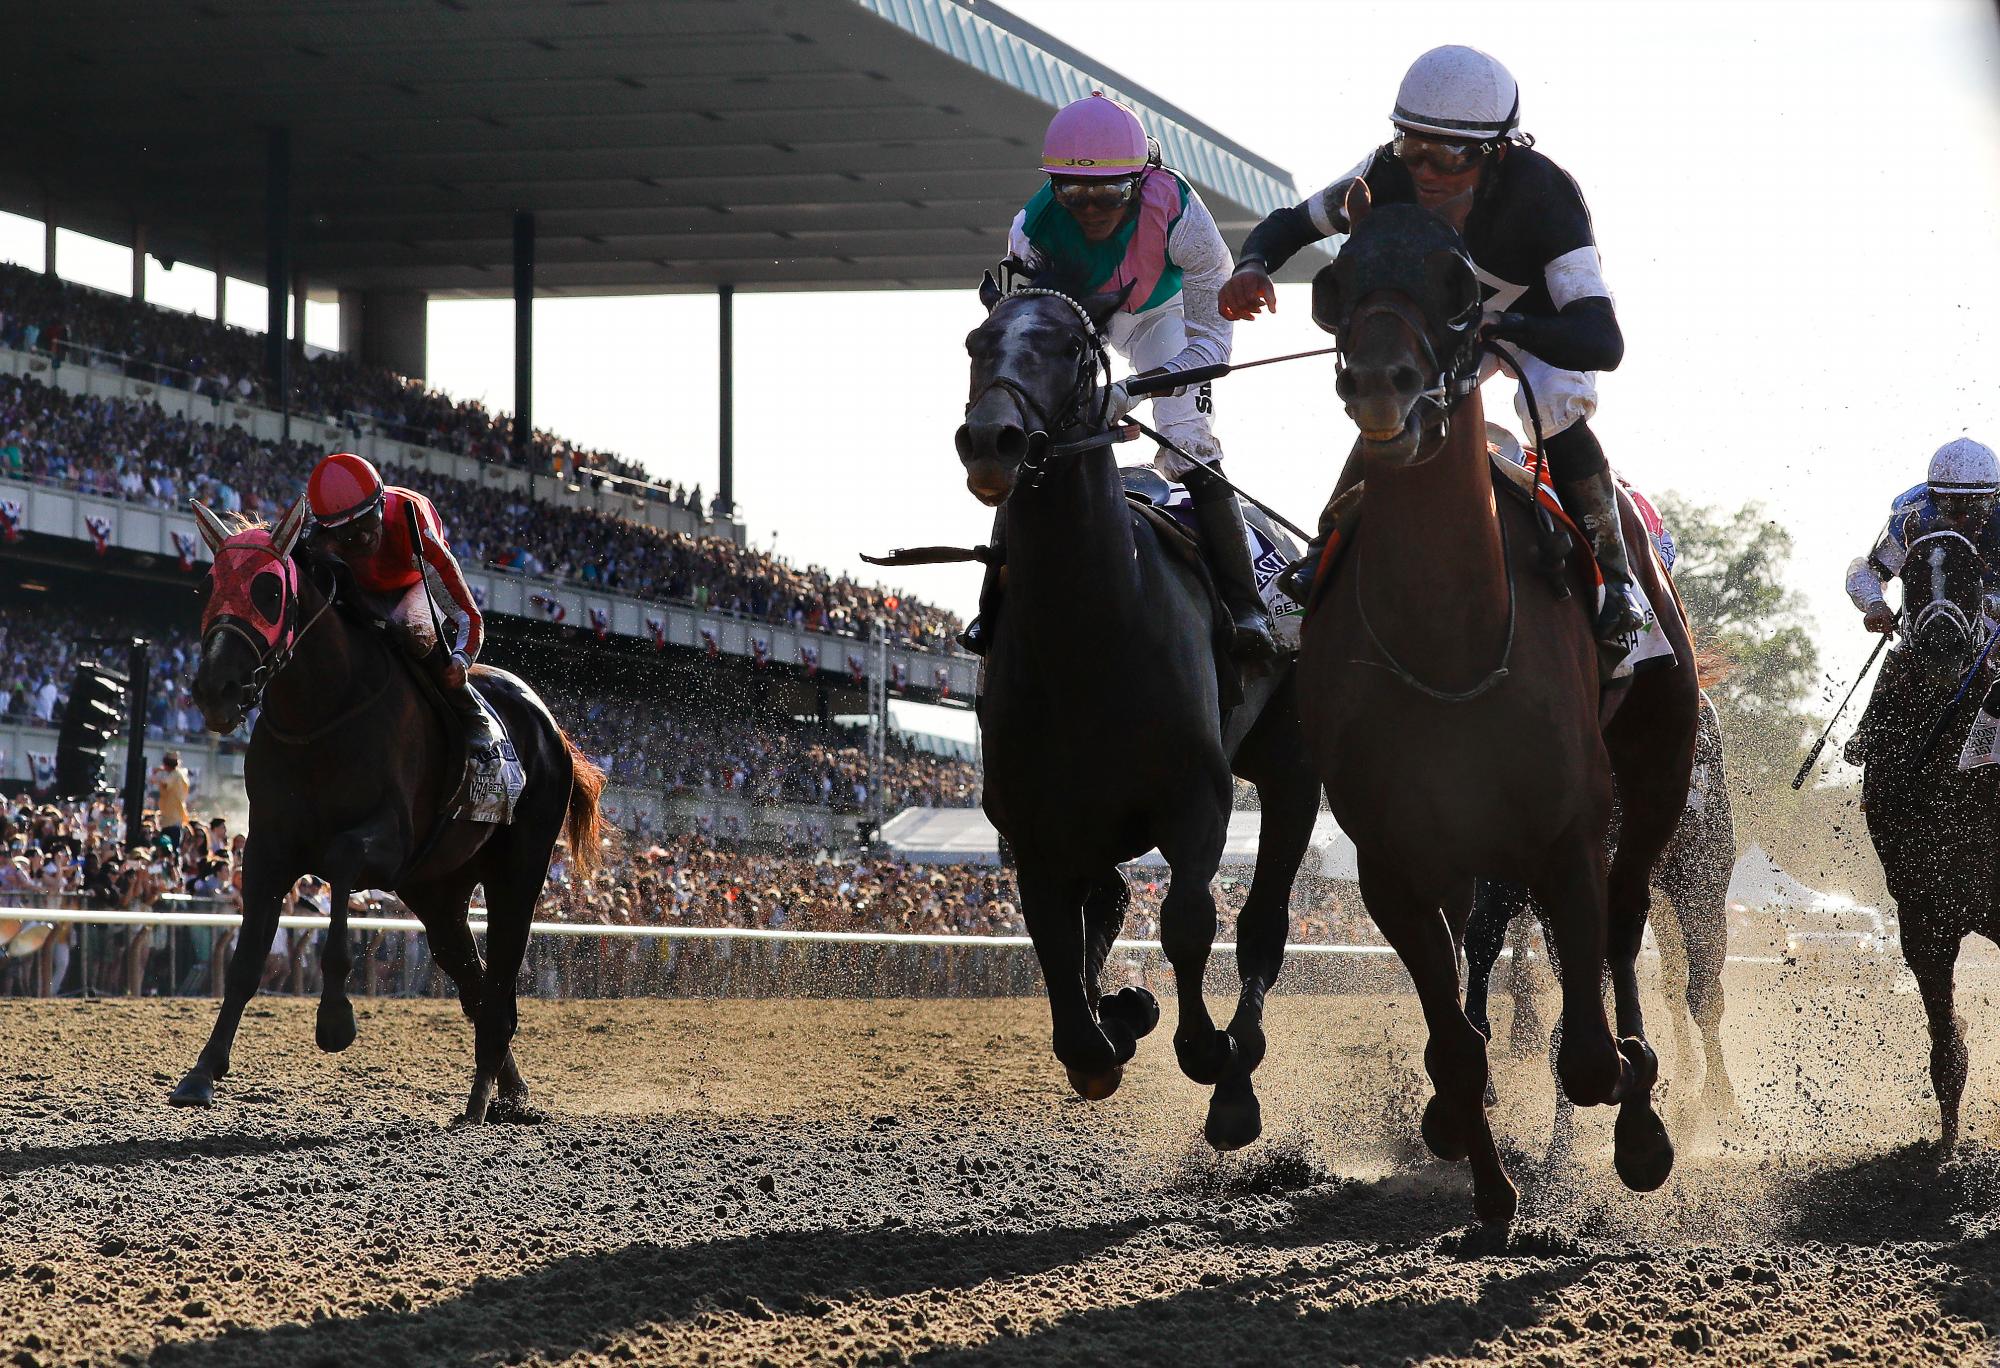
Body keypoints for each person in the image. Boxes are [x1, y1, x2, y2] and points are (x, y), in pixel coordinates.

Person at [1220, 46, 1644, 650]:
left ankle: (1616, 577)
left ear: (1496, 152)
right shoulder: (1383, 173)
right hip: (1445, 324)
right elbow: (1292, 222)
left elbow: (1603, 341)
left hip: (1529, 328)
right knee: (1386, 387)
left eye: (1446, 154)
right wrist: (1253, 263)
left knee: (1550, 409)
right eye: (1409, 146)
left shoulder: (1546, 196)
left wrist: (1506, 326)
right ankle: (1325, 550)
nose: (1422, 170)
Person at [959, 91, 1277, 661]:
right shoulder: (1030, 230)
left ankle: (1245, 603)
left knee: (1187, 440)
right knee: (1030, 436)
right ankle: (992, 605)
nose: (1090, 211)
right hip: (1075, 321)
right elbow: (1027, 335)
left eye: (1110, 194)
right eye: (1072, 193)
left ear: (1141, 178)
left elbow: (1211, 346)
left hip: (1163, 319)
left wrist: (1129, 393)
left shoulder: (1180, 212)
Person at [304, 451, 498, 755]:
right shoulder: (315, 538)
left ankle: (471, 712)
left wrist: (461, 660)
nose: (365, 537)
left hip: (416, 580)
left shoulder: (413, 524)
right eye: (349, 533)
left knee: (408, 625)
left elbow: (467, 615)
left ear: (382, 504)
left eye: (369, 521)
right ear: (327, 532)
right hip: (363, 585)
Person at [1842, 437, 2000, 765]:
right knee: (1903, 653)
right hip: (1928, 621)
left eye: (1975, 506)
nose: (1963, 517)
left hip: (1993, 616)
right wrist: (1875, 605)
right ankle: (1869, 729)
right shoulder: (1912, 515)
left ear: (1992, 498)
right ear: (1934, 497)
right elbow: (1867, 570)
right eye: (1952, 507)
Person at [150, 752, 190, 850]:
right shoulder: (180, 774)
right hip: (172, 817)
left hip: (172, 819)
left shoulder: (175, 775)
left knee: (169, 848)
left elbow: (164, 783)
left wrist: (156, 773)